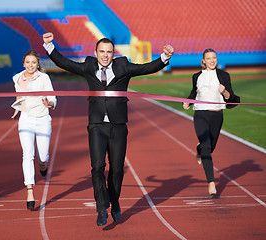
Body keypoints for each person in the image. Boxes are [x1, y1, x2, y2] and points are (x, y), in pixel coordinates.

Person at [43, 32, 174, 226]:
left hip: (118, 126)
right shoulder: (88, 66)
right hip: (96, 125)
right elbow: (65, 63)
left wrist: (165, 58)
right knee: (97, 167)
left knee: (117, 169)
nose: (105, 55)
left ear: (114, 53)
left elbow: (147, 68)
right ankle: (101, 206)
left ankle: (115, 202)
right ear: (96, 53)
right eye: (102, 52)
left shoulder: (123, 66)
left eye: (109, 52)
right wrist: (49, 46)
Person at [183, 48, 239, 196]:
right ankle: (211, 183)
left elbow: (231, 96)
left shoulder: (224, 76)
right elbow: (193, 93)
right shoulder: (197, 76)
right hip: (200, 114)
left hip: (217, 115)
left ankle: (200, 149)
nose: (212, 60)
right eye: (209, 58)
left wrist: (224, 92)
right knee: (208, 147)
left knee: (209, 147)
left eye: (214, 57)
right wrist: (188, 101)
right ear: (204, 61)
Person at [11, 50, 57, 210]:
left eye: (34, 62)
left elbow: (52, 97)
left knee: (42, 154)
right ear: (24, 63)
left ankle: (43, 163)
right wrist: (17, 108)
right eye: (28, 62)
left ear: (38, 64)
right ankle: (30, 191)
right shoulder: (17, 78)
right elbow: (19, 96)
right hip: (26, 119)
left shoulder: (44, 77)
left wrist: (49, 104)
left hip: (43, 118)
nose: (31, 65)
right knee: (27, 154)